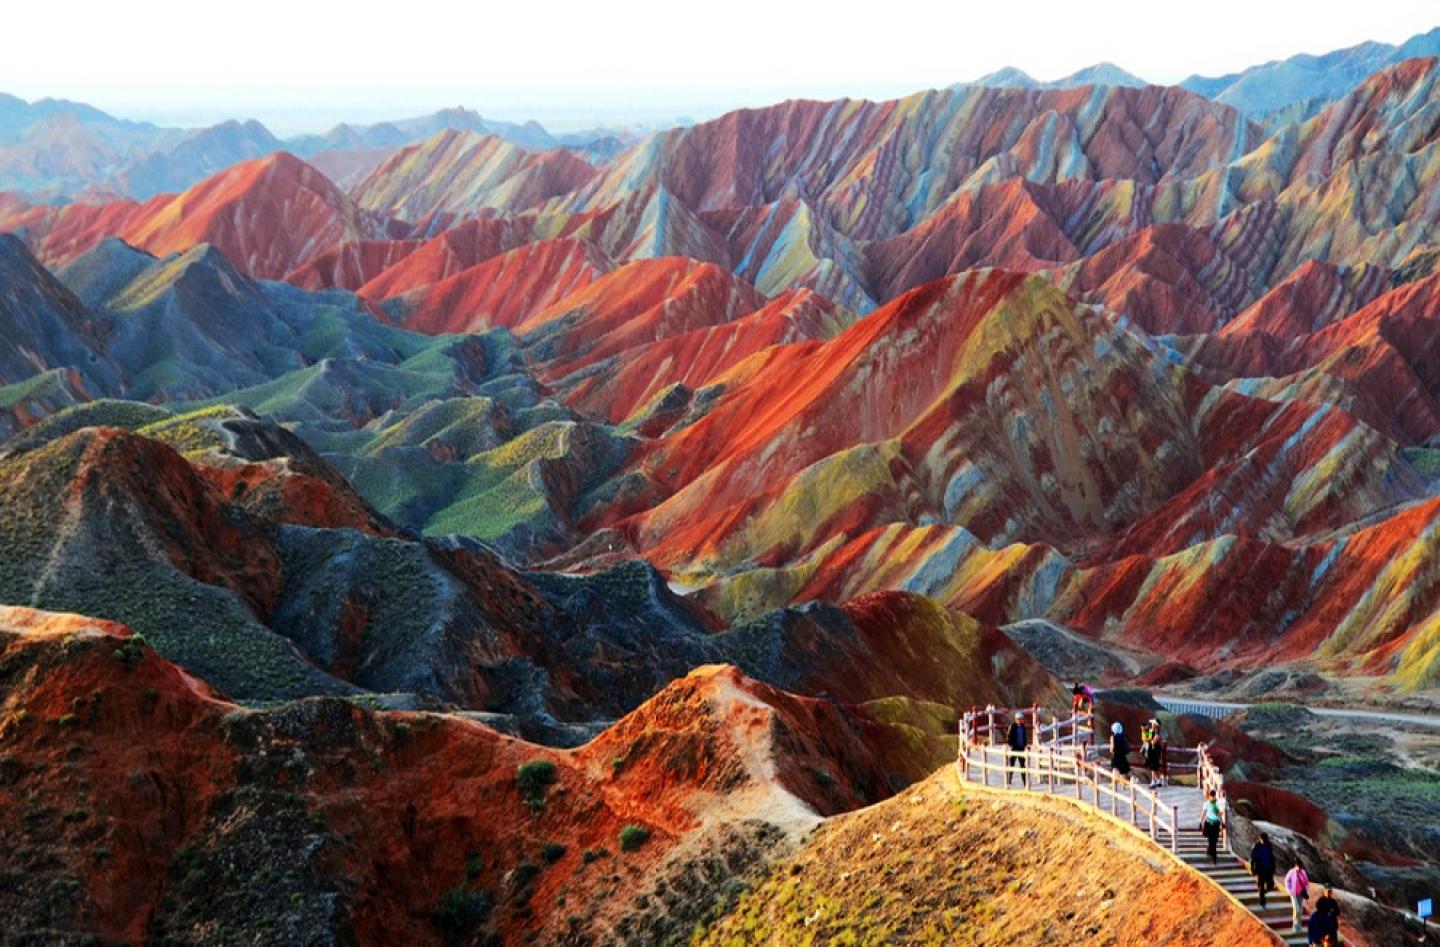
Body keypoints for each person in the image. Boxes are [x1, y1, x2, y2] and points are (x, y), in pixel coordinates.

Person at [1249, 832, 1277, 910]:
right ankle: (1262, 901)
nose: (1264, 841)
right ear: (1260, 839)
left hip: (1269, 868)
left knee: (1270, 885)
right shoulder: (1256, 846)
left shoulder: (1269, 845)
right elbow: (1252, 858)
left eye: (1265, 840)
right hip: (1260, 869)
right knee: (1261, 885)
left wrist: (1274, 866)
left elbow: (1271, 856)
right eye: (1263, 840)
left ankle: (1262, 892)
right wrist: (1252, 869)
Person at [1285, 862, 1311, 933]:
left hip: (1301, 894)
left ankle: (1299, 925)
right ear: (1295, 866)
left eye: (1300, 867)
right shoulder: (1291, 872)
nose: (1299, 869)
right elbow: (1287, 881)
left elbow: (1306, 883)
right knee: (1297, 909)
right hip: (1293, 893)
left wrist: (1307, 891)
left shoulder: (1303, 872)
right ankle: (1295, 926)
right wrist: (1289, 890)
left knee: (1301, 909)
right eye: (1297, 867)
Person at [1141, 718, 1165, 788]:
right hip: (1151, 751)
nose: (1151, 724)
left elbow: (1152, 742)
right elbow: (1145, 739)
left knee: (1153, 767)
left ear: (1156, 725)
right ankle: (1158, 780)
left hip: (1155, 752)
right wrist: (1143, 731)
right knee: (1153, 767)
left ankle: (1153, 781)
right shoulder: (1151, 731)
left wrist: (1149, 739)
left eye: (1153, 723)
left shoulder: (1158, 734)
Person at [1006, 711, 1028, 787]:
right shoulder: (1012, 726)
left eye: (1021, 719)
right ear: (1016, 719)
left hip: (1021, 748)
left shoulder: (1023, 727)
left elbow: (1024, 737)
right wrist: (1011, 744)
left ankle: (1025, 782)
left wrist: (1025, 744)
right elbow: (1009, 735)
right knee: (1011, 764)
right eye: (1019, 719)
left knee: (1023, 765)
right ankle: (1009, 780)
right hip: (1014, 748)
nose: (1020, 720)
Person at [1200, 789, 1223, 864]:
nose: (1212, 797)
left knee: (1215, 840)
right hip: (1209, 823)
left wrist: (1222, 823)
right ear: (1209, 796)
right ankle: (1213, 855)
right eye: (1211, 795)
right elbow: (1203, 813)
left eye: (1213, 795)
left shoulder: (1217, 804)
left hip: (1216, 824)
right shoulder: (1206, 804)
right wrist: (1201, 822)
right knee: (1211, 840)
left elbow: (1220, 814)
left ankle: (1211, 853)